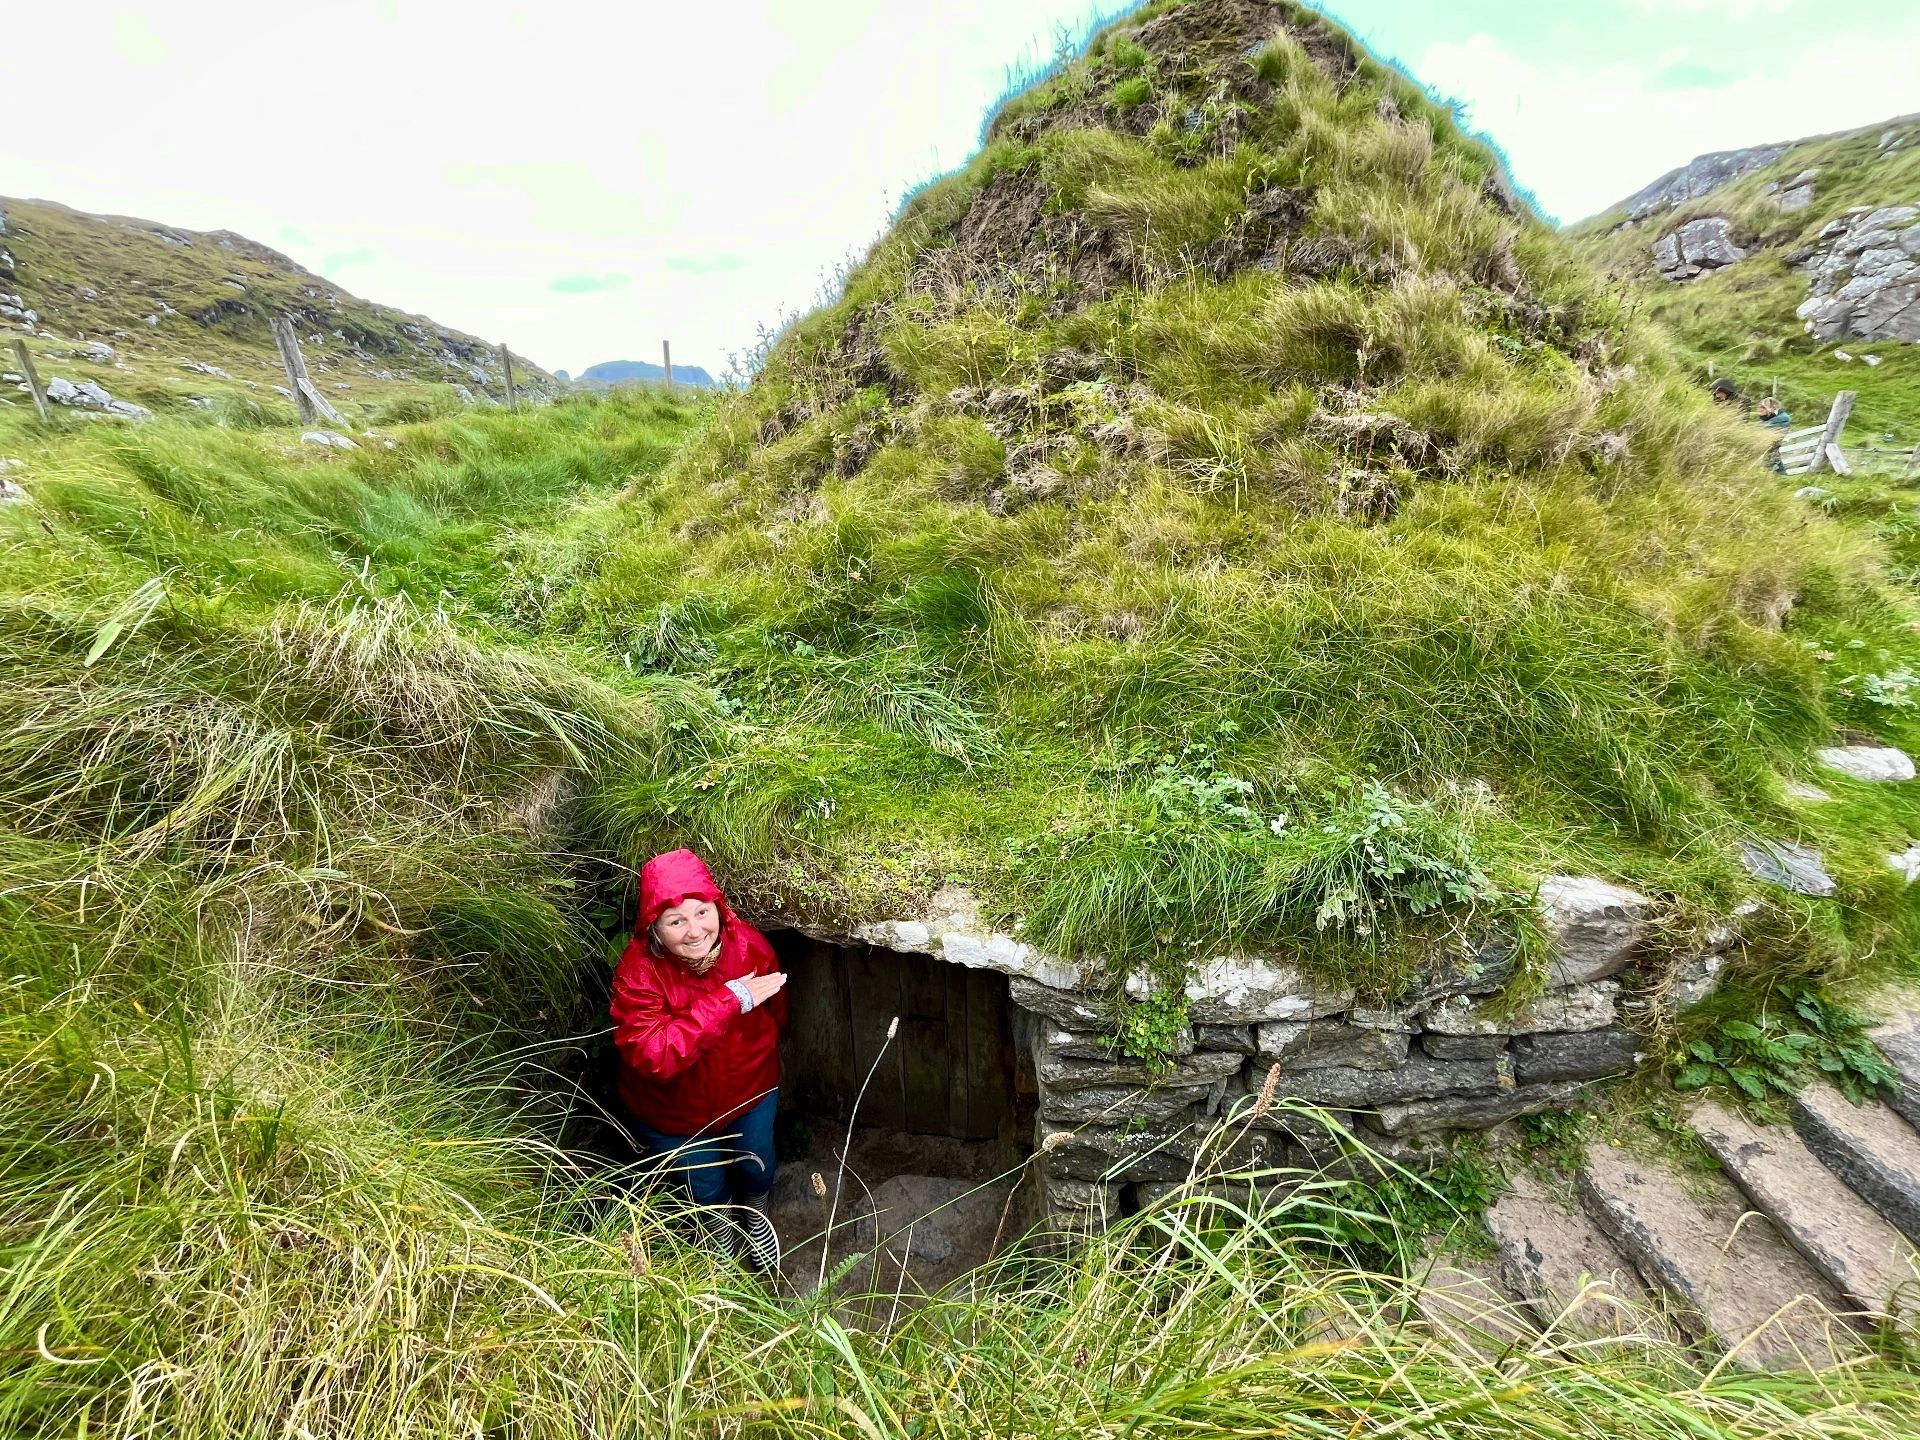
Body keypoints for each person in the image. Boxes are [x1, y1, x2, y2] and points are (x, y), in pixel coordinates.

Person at [610, 848, 789, 1267]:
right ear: (654, 928)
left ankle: (756, 1216)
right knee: (704, 1188)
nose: (694, 931)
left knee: (758, 1168)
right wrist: (728, 1001)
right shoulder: (637, 974)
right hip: (674, 1116)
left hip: (750, 1091)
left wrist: (760, 1053)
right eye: (676, 921)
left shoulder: (748, 945)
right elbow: (654, 1054)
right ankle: (720, 1233)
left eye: (702, 913)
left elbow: (777, 1011)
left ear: (718, 908)